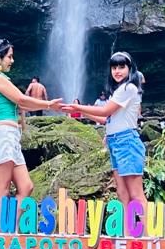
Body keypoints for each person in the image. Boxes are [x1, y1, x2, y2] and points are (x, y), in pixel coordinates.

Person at [62, 51, 147, 211]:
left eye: (121, 67)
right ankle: (127, 227)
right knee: (122, 193)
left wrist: (77, 106)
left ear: (130, 69)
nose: (117, 71)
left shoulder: (128, 88)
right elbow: (106, 119)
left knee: (136, 194)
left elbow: (105, 111)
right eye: (114, 67)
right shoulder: (119, 91)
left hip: (126, 142)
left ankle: (146, 227)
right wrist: (78, 111)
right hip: (116, 142)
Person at [0, 38, 61, 205]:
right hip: (2, 134)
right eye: (9, 57)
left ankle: (10, 221)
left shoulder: (0, 78)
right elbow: (21, 99)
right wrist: (48, 104)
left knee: (26, 187)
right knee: (2, 188)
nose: (12, 61)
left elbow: (22, 103)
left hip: (10, 136)